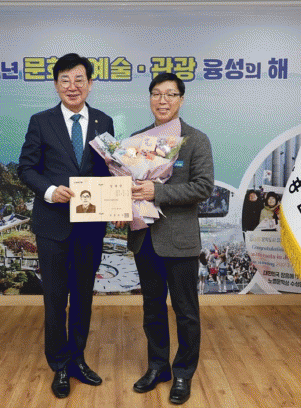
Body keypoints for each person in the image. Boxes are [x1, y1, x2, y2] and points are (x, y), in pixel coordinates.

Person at [17, 53, 114, 399]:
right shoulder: (41, 121)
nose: (72, 87)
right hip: (53, 225)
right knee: (56, 298)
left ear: (90, 83)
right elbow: (26, 168)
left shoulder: (103, 121)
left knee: (83, 297)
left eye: (79, 79)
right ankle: (59, 364)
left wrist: (119, 197)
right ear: (56, 84)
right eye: (65, 80)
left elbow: (108, 171)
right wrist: (48, 191)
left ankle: (78, 359)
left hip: (90, 226)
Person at [117, 72, 214, 405]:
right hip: (145, 238)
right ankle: (158, 367)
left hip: (180, 241)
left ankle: (183, 372)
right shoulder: (137, 140)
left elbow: (203, 187)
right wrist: (119, 205)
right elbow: (126, 185)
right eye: (157, 94)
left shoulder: (196, 140)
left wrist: (157, 191)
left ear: (181, 100)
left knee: (186, 311)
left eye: (170, 94)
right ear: (150, 99)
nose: (163, 100)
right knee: (152, 309)